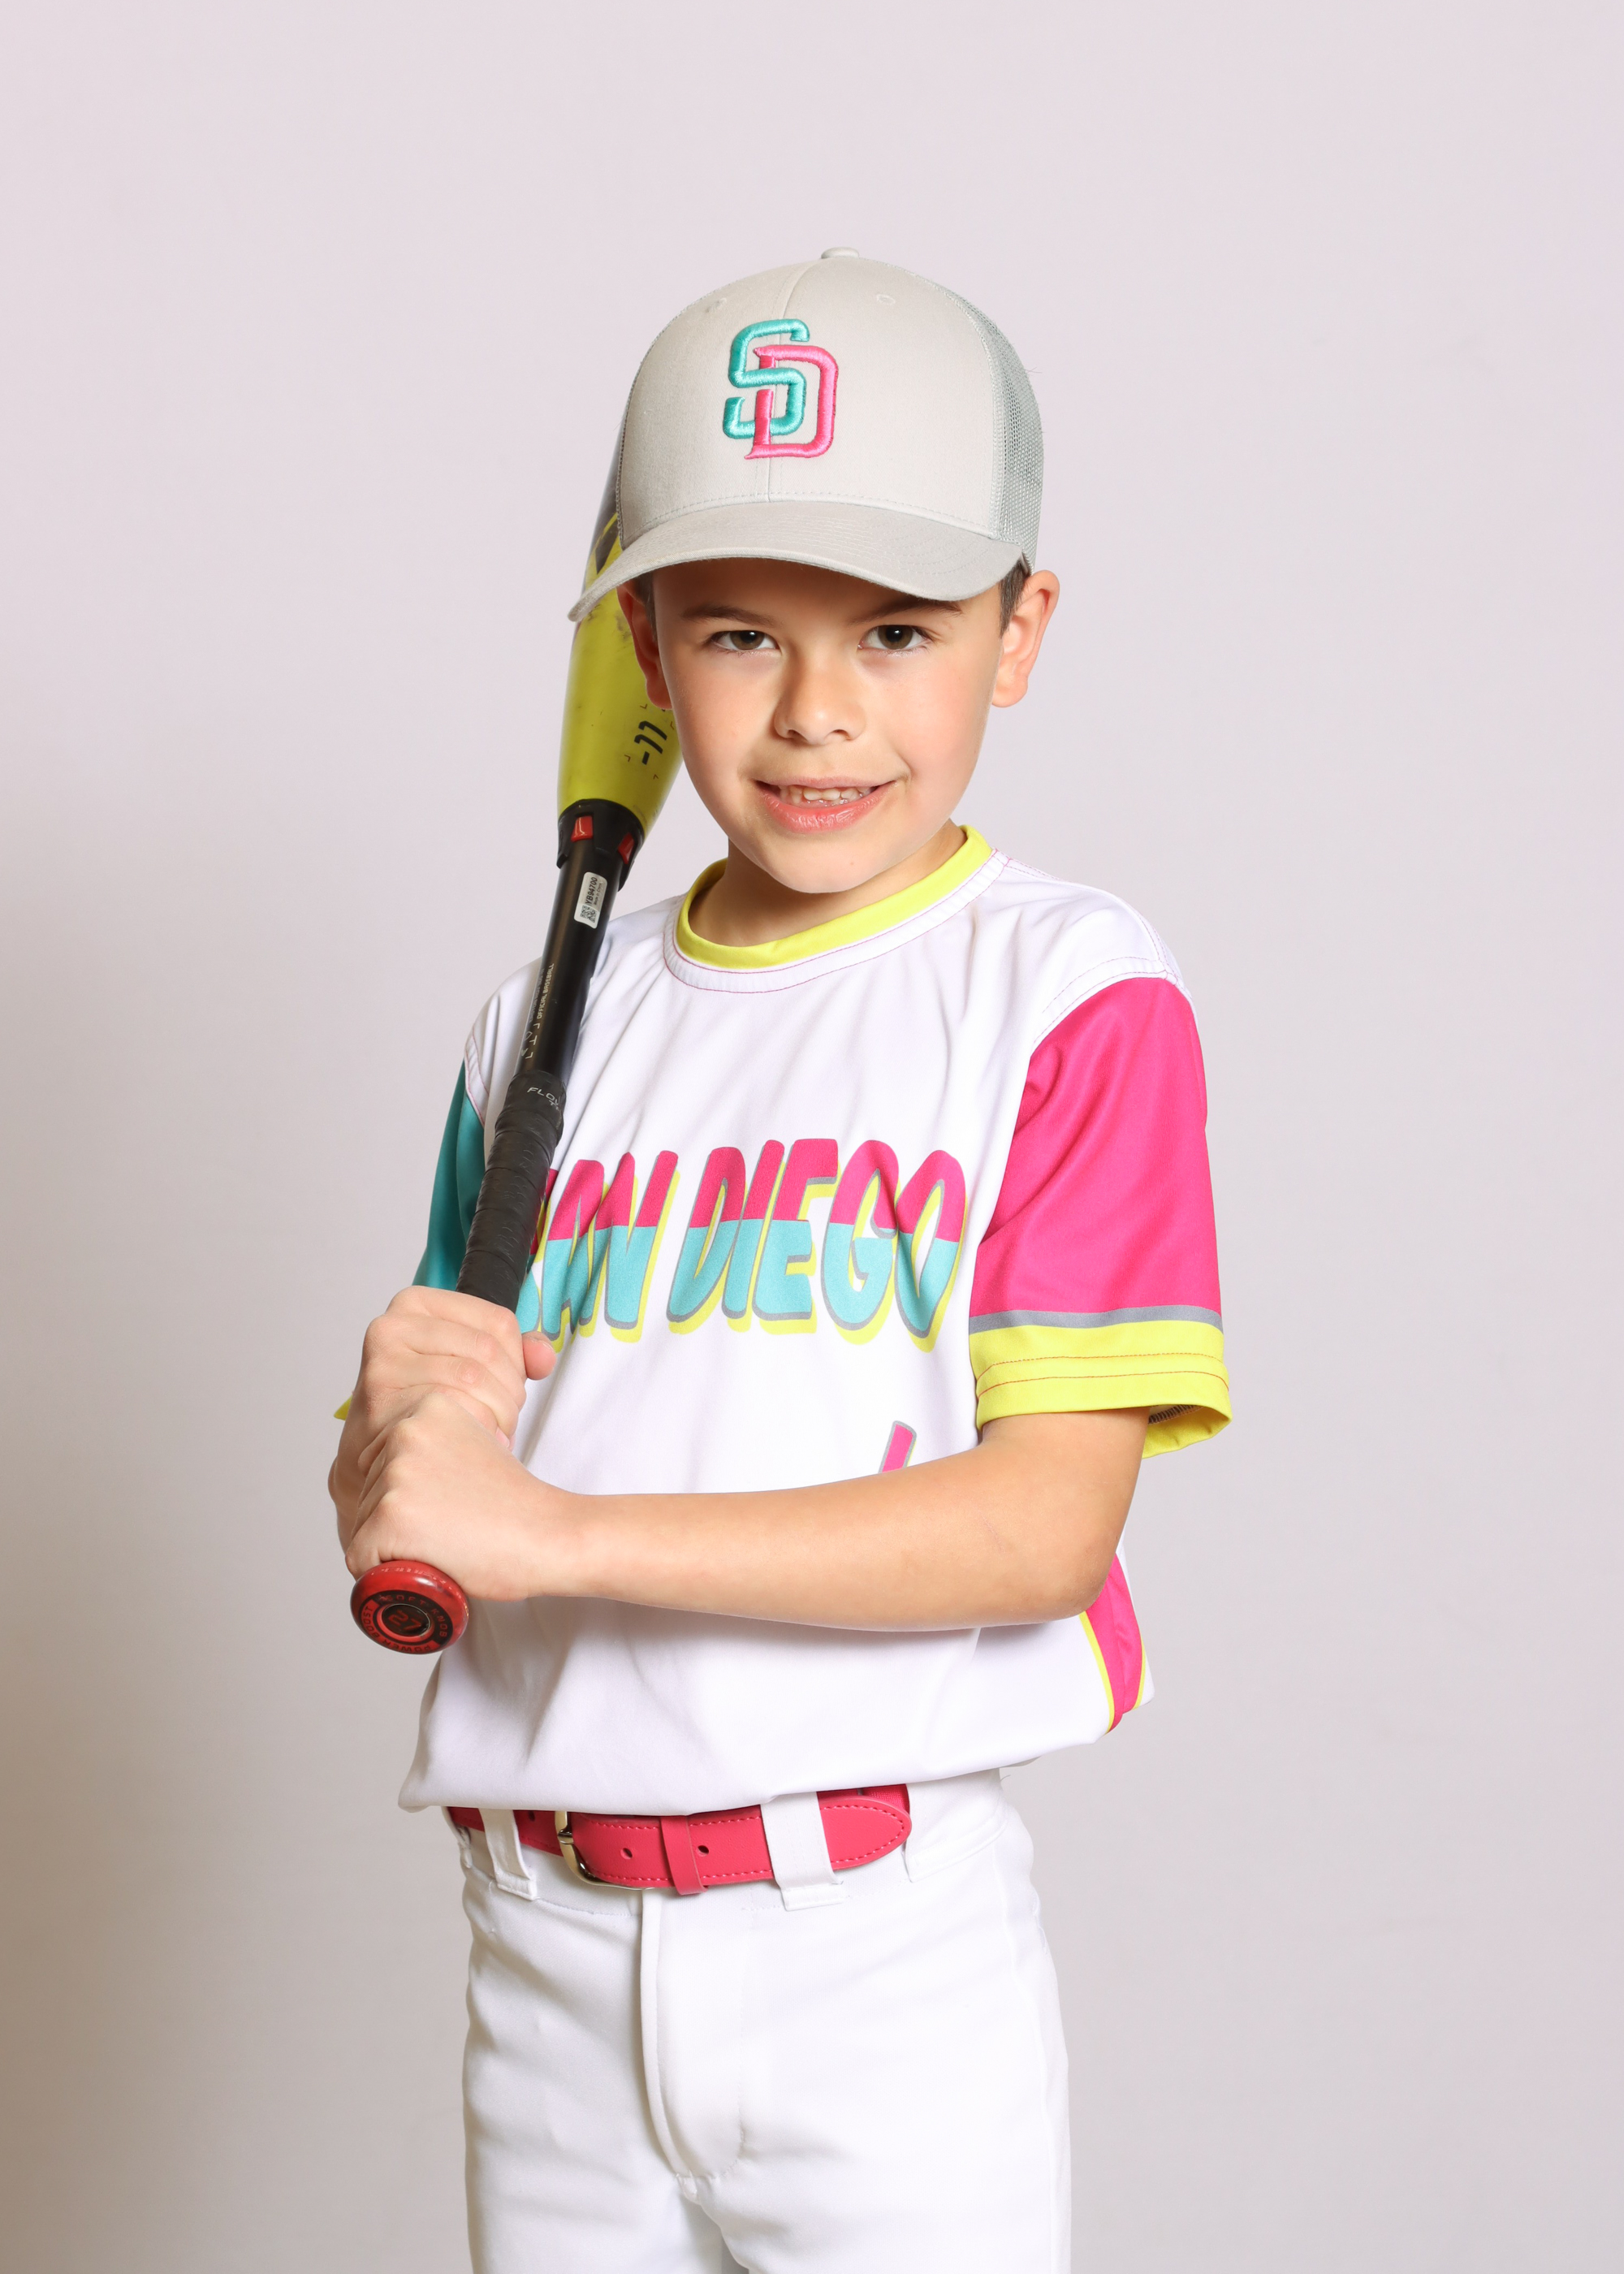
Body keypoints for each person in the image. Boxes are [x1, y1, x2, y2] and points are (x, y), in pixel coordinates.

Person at [330, 249, 1230, 2274]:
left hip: (870, 1966)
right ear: (644, 646)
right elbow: (430, 1504)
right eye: (740, 630)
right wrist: (392, 1445)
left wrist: (552, 1530)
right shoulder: (541, 1028)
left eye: (898, 628)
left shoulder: (1064, 992)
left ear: (1019, 631)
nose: (820, 709)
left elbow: (1039, 1531)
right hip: (542, 1951)